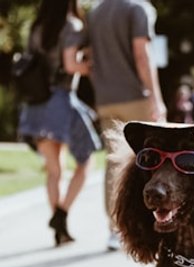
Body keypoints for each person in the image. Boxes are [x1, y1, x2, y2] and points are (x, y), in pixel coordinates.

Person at [16, 0, 102, 247]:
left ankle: (60, 229)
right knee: (86, 162)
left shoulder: (37, 26)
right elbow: (70, 65)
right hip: (61, 102)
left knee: (54, 171)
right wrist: (90, 66)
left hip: (36, 104)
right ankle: (61, 215)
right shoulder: (72, 25)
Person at [86, 0, 166, 250]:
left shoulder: (96, 11)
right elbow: (142, 55)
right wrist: (156, 98)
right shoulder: (138, 8)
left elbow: (89, 56)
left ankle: (115, 229)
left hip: (105, 99)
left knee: (114, 162)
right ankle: (152, 223)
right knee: (152, 158)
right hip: (135, 96)